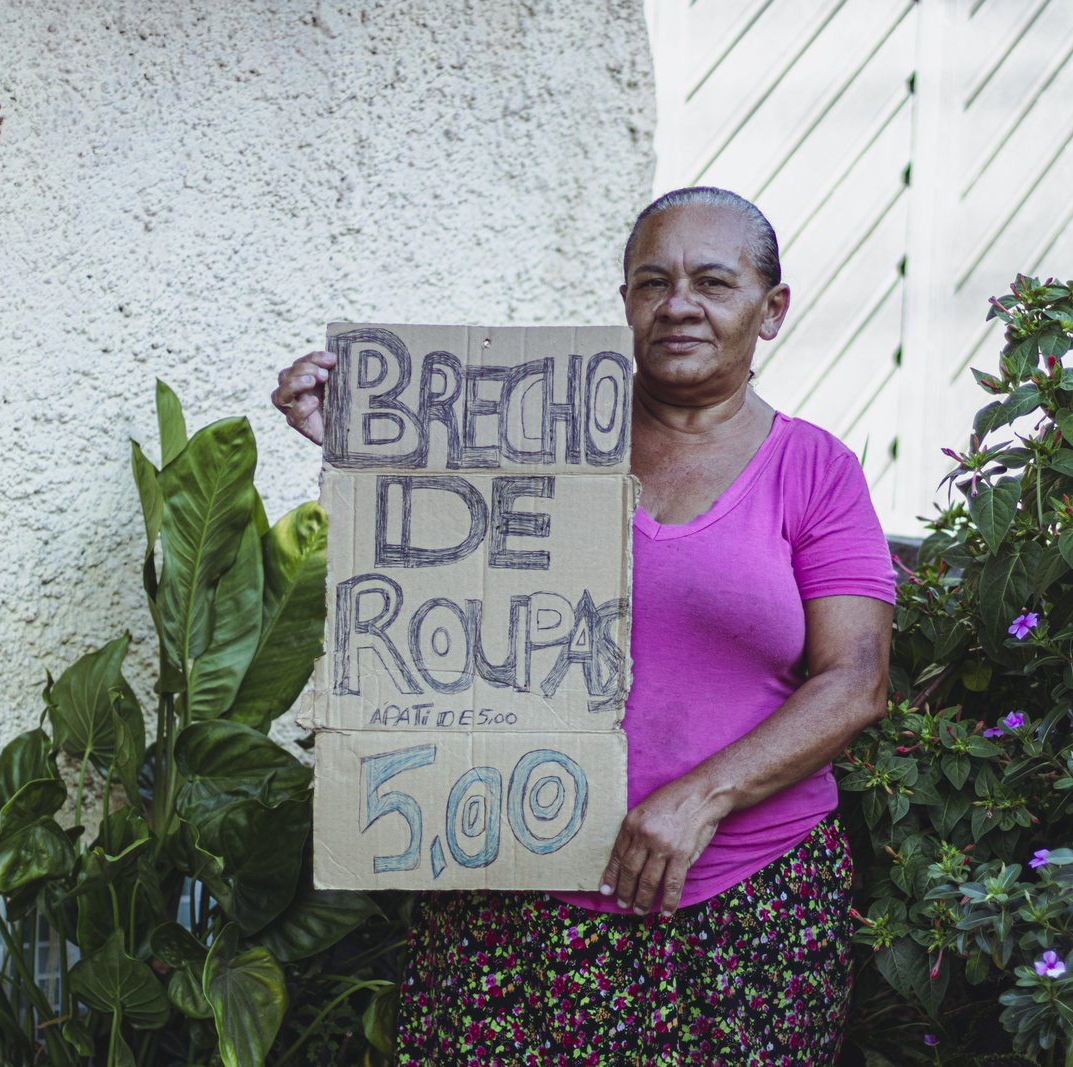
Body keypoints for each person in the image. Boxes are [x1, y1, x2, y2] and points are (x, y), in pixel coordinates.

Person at [271, 187, 895, 1065]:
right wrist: (364, 441)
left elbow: (854, 680)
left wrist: (699, 798)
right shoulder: (534, 439)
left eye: (713, 281)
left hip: (743, 901)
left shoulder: (814, 470)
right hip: (513, 896)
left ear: (771, 308)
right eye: (652, 282)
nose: (679, 304)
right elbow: (435, 551)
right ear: (626, 305)